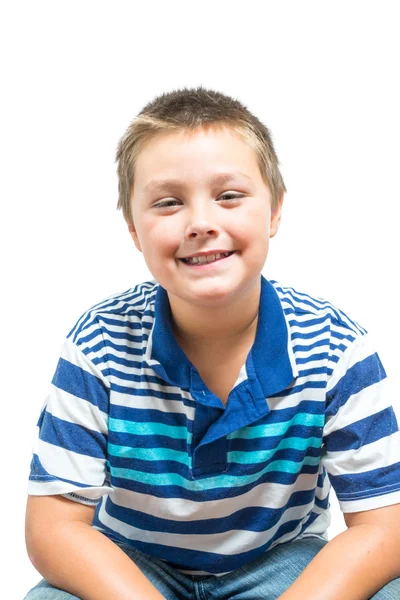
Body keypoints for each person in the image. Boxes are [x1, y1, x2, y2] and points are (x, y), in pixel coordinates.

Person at [24, 87, 400, 600]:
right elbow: (54, 528)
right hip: (134, 572)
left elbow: (383, 526)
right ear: (135, 230)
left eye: (228, 196)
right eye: (169, 202)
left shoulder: (337, 348)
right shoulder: (98, 343)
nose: (201, 223)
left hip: (281, 570)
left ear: (274, 212)